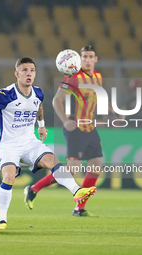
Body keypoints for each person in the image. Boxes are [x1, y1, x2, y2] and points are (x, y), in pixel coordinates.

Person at [0, 57, 97, 230]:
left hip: (30, 142)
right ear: (17, 74)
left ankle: (77, 192)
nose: (28, 73)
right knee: (8, 176)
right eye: (24, 70)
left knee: (52, 161)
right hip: (9, 145)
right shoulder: (7, 94)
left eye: (32, 70)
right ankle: (2, 219)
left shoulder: (38, 92)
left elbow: (38, 107)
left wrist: (42, 127)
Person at [24, 46, 117, 217]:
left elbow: (97, 99)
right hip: (75, 128)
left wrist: (114, 110)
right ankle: (34, 188)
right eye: (84, 57)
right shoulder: (73, 77)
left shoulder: (98, 77)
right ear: (80, 59)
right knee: (73, 169)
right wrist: (66, 121)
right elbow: (56, 101)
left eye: (90, 57)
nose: (87, 60)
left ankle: (79, 208)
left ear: (96, 59)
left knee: (96, 165)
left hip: (90, 128)